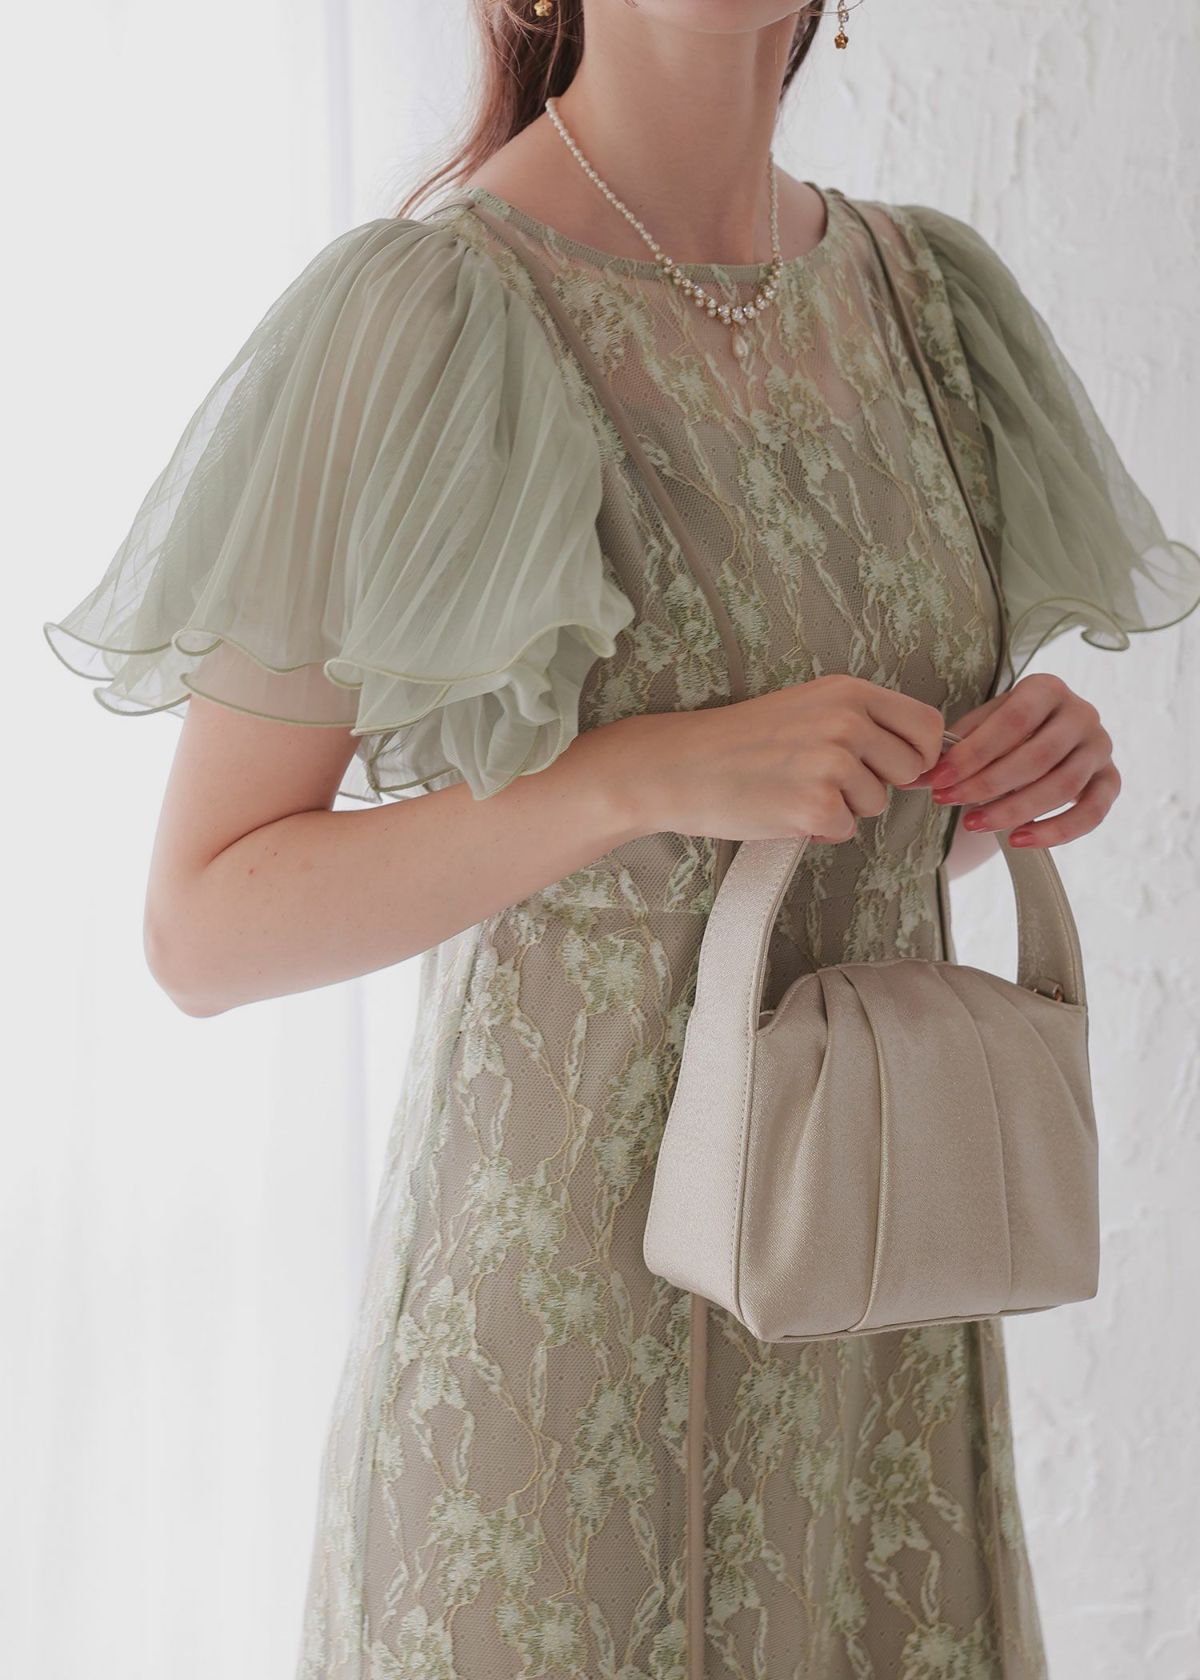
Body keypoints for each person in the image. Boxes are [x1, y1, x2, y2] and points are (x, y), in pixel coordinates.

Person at [42, 3, 1200, 1676]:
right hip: (556, 1367)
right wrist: (632, 773)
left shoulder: (929, 304)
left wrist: (988, 785)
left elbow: (802, 862)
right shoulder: (429, 316)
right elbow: (204, 924)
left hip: (870, 1328)